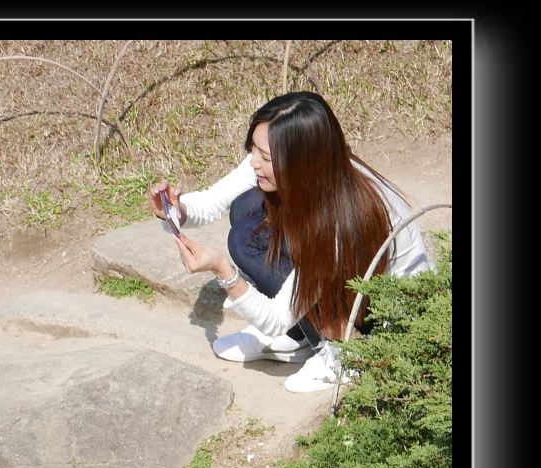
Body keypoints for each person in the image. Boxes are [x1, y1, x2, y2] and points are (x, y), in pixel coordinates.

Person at [147, 91, 431, 393]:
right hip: (349, 276)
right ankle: (299, 337)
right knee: (247, 208)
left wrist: (222, 270)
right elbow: (212, 201)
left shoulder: (339, 217)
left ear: (302, 160)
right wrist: (174, 211)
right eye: (253, 149)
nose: (254, 162)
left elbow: (274, 318)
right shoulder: (314, 169)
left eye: (265, 157)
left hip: (383, 319)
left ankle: (345, 351)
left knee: (248, 236)